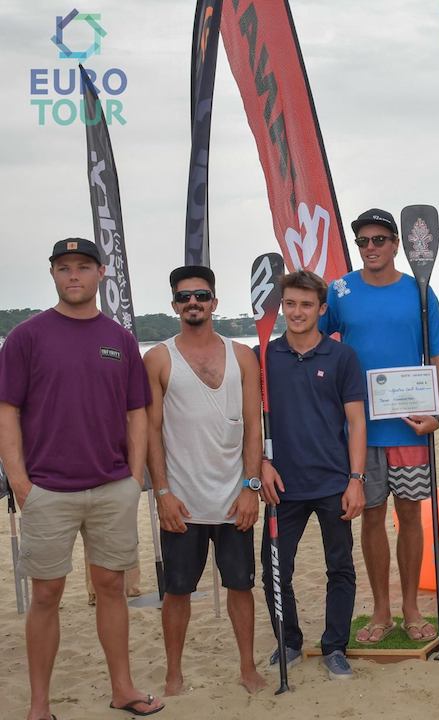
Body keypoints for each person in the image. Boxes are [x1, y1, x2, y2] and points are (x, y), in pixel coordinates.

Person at [0, 238, 164, 719]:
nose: (74, 276)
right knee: (46, 593)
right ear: (53, 273)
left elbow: (137, 412)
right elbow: (7, 411)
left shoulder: (121, 338)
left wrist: (134, 477)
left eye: (84, 267)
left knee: (111, 586)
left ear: (101, 274)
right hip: (46, 489)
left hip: (112, 486)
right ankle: (39, 706)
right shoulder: (26, 337)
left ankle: (122, 689)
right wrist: (20, 482)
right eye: (65, 268)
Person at [322, 208, 439, 644]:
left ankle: (411, 606)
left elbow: (437, 356)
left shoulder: (420, 291)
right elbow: (316, 342)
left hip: (410, 426)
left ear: (397, 244)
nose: (371, 248)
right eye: (363, 241)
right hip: (359, 432)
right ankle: (380, 609)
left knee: (410, 515)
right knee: (370, 517)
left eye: (379, 240)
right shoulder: (340, 290)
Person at [144, 265, 267, 695]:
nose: (192, 302)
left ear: (214, 302)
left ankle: (247, 667)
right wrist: (162, 493)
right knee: (177, 591)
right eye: (183, 297)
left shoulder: (241, 356)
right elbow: (151, 431)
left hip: (235, 498)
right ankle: (173, 673)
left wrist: (251, 488)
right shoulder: (158, 358)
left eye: (200, 295)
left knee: (240, 585)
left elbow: (255, 425)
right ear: (174, 306)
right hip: (182, 500)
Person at [259, 270, 367, 680]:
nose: (297, 312)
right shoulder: (265, 357)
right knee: (273, 571)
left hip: (333, 482)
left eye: (307, 305)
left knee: (339, 568)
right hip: (282, 485)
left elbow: (357, 422)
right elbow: (254, 420)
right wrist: (260, 465)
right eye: (290, 304)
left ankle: (335, 646)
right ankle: (288, 640)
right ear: (282, 306)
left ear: (322, 309)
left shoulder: (342, 357)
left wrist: (356, 479)